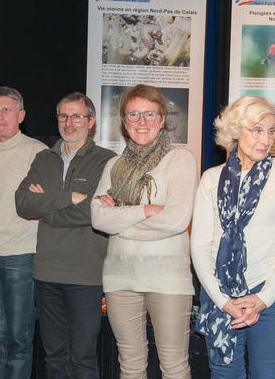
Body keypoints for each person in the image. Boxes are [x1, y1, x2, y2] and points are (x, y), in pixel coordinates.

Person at [190, 95, 275, 379]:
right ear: (235, 130)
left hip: (270, 297)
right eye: (257, 130)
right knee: (225, 375)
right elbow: (200, 246)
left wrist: (262, 299)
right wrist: (224, 301)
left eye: (271, 131)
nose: (265, 139)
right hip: (220, 298)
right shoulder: (211, 178)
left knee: (270, 375)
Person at [91, 84, 198, 378]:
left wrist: (121, 219)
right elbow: (98, 218)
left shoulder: (181, 160)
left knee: (174, 368)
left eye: (150, 114)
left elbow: (176, 220)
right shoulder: (113, 165)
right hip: (119, 277)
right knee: (130, 366)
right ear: (124, 122)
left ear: (163, 119)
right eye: (133, 115)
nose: (142, 122)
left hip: (168, 279)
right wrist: (145, 210)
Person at [15, 92, 115, 378]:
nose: (69, 123)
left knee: (83, 357)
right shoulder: (43, 158)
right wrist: (69, 197)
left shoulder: (106, 161)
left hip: (86, 275)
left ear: (91, 121)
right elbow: (22, 203)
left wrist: (46, 205)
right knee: (54, 357)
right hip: (46, 272)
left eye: (77, 116)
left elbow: (94, 212)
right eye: (63, 116)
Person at [0, 86, 47, 379]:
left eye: (6, 110)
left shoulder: (38, 152)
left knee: (18, 336)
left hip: (20, 255)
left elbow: (44, 203)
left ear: (21, 115)